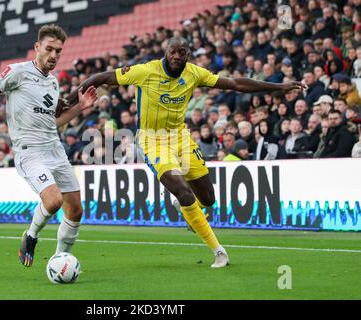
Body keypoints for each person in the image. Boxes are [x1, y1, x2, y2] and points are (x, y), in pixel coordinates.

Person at [63, 37, 304, 268]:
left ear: (187, 55)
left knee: (208, 199)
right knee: (184, 192)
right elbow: (101, 77)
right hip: (153, 141)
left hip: (181, 138)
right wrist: (69, 99)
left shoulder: (194, 73)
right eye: (173, 52)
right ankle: (218, 251)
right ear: (165, 53)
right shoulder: (145, 71)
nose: (177, 56)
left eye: (182, 53)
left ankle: (185, 207)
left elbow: (235, 83)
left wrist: (278, 87)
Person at [0, 24, 98, 268]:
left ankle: (59, 260)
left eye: (59, 51)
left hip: (54, 149)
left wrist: (80, 108)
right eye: (49, 49)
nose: (54, 55)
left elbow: (55, 123)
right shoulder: (17, 72)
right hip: (30, 152)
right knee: (53, 201)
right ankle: (30, 236)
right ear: (37, 47)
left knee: (75, 210)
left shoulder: (53, 84)